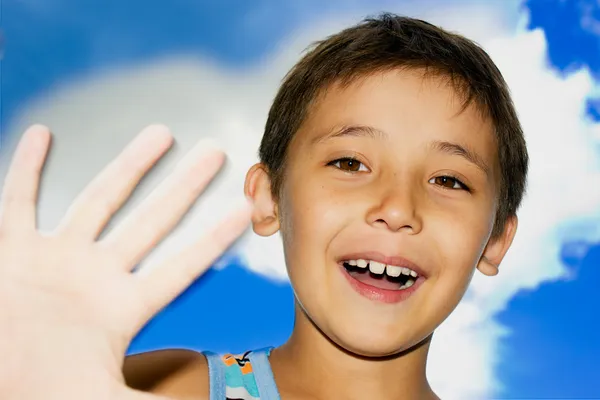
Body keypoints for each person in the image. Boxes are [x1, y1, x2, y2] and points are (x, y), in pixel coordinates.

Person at [0, 13, 528, 400]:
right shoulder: (167, 388)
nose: (396, 207)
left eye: (448, 179)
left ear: (497, 239)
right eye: (349, 163)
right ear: (269, 197)